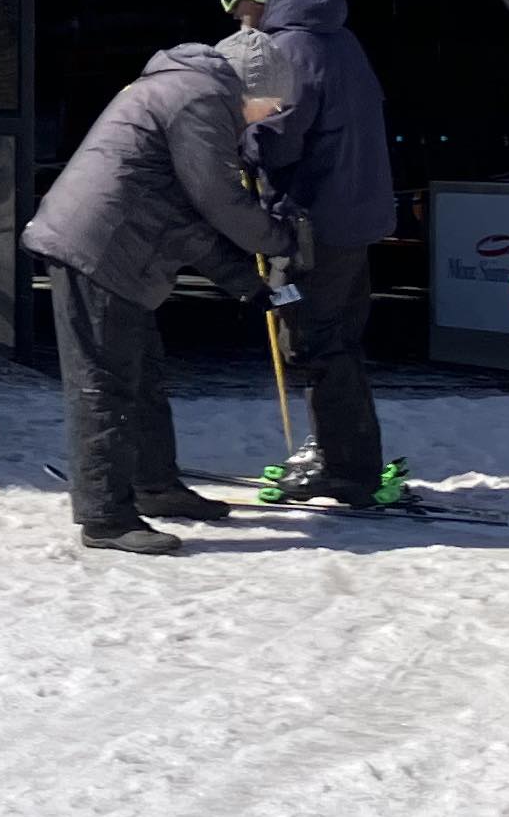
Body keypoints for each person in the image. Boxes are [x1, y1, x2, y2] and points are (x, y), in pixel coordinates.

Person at [24, 31, 307, 556]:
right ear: (252, 87)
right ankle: (105, 517)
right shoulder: (200, 98)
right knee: (103, 384)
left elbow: (184, 219)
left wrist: (248, 285)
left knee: (143, 377)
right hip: (100, 247)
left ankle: (154, 485)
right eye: (272, 105)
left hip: (123, 245)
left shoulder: (185, 92)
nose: (269, 117)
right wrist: (281, 239)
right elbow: (217, 202)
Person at [223, 0, 401, 511]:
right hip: (354, 215)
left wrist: (239, 145)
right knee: (341, 340)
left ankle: (348, 469)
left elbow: (278, 133)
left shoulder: (290, 46)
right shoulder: (339, 40)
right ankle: (348, 453)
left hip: (314, 220)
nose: (232, 11)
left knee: (315, 344)